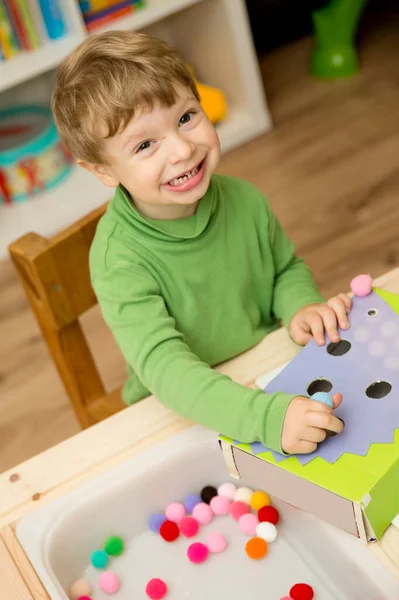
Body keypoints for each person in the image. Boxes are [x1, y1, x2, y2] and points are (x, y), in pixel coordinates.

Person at [51, 30, 349, 455]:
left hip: (268, 371)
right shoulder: (119, 260)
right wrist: (263, 418)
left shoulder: (245, 199)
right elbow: (169, 372)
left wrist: (300, 305)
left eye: (186, 117)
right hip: (181, 410)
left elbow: (284, 269)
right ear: (103, 171)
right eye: (146, 144)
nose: (181, 149)